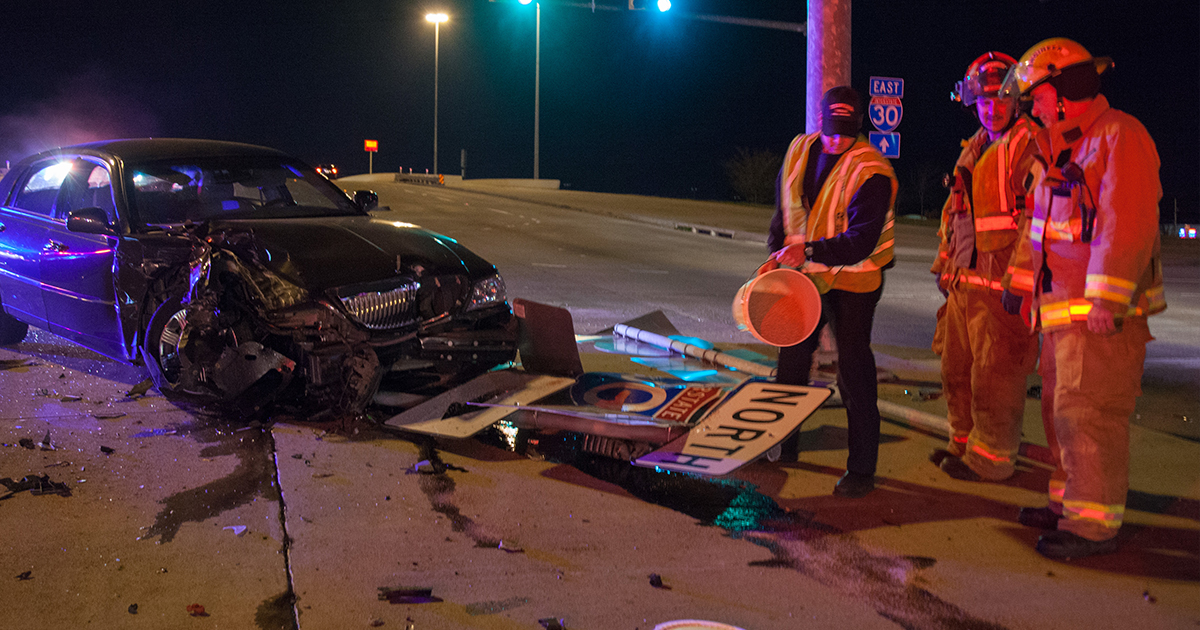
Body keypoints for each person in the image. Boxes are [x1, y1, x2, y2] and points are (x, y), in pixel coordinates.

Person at [1000, 38, 1166, 559]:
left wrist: (1106, 301)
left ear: (1064, 90)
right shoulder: (1064, 148)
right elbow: (1042, 233)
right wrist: (1025, 288)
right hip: (1062, 318)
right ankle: (1067, 502)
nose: (1033, 107)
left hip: (1098, 322)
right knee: (1060, 412)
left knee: (1088, 417)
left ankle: (1091, 526)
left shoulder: (1119, 136)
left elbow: (1126, 224)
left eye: (1038, 96)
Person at [765, 85, 898, 498]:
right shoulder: (800, 150)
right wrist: (777, 252)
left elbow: (860, 242)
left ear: (858, 128)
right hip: (808, 272)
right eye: (830, 130)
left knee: (854, 367)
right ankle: (784, 444)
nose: (836, 140)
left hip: (855, 280)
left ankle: (861, 468)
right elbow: (785, 211)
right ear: (819, 123)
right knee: (792, 358)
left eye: (845, 131)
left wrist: (807, 250)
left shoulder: (872, 170)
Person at [929, 52, 1040, 482]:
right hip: (965, 284)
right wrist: (944, 262)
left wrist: (1022, 277)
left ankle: (992, 459)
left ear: (1017, 101)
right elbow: (955, 213)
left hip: (1001, 287)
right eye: (984, 101)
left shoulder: (1027, 144)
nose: (991, 108)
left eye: (1000, 100)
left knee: (997, 374)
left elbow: (1039, 216)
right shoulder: (975, 148)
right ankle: (963, 441)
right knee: (956, 368)